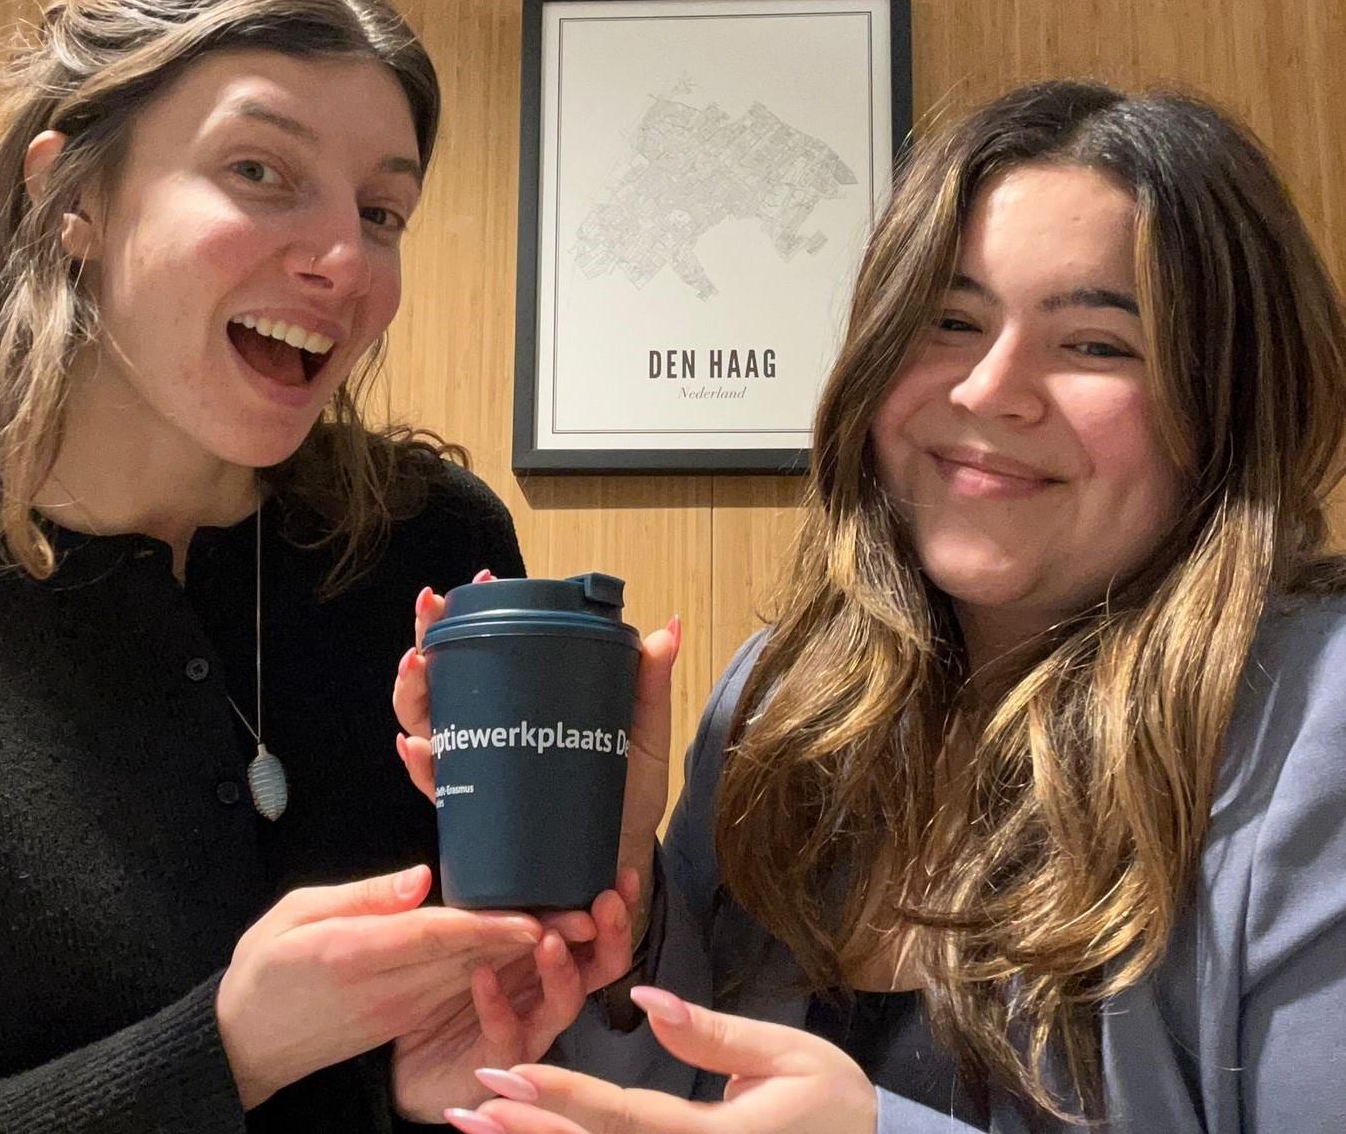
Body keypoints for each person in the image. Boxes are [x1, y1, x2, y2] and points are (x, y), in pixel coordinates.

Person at [395, 81, 1346, 1132]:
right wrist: (621, 920)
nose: (990, 388)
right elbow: (698, 1088)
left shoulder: (1317, 716)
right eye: (949, 319)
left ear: (1228, 399)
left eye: (1094, 344)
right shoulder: (787, 692)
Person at [0, 0, 673, 1133]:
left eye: (383, 209)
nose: (340, 258)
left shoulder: (429, 547)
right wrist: (228, 1051)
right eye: (261, 170)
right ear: (71, 194)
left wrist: (594, 913)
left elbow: (463, 1052)